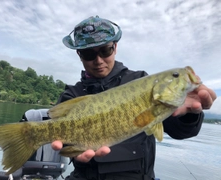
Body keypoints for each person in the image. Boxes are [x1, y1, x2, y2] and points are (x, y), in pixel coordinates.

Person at [51, 16, 217, 180]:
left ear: (115, 47)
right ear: (79, 55)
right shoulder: (72, 95)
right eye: (89, 54)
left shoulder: (142, 82)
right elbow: (63, 143)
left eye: (105, 50)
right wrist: (72, 152)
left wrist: (189, 114)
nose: (99, 60)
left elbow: (179, 131)